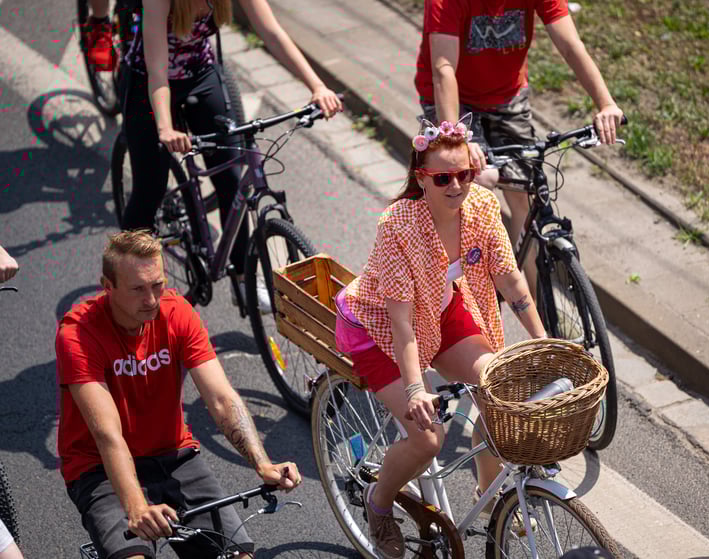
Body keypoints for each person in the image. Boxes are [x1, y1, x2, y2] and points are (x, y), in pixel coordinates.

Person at [334, 116, 547, 558]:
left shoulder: (484, 207)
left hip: (440, 309)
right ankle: (379, 502)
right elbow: (402, 326)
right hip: (376, 329)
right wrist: (416, 389)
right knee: (427, 440)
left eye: (465, 174)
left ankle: (490, 498)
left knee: (495, 383)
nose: (456, 185)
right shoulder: (397, 225)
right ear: (421, 178)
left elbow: (511, 283)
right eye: (443, 177)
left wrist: (544, 344)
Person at [56, 230, 302, 559]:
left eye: (157, 285)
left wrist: (262, 463)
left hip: (171, 455)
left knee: (238, 555)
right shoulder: (77, 334)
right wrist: (137, 508)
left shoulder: (176, 312)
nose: (152, 299)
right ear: (107, 286)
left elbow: (221, 398)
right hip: (99, 466)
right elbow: (107, 432)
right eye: (138, 289)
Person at [118, 0, 342, 307]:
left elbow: (271, 32)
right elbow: (158, 74)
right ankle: (126, 290)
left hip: (200, 72)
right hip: (149, 82)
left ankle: (243, 281)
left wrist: (316, 86)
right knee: (149, 190)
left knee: (232, 180)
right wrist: (166, 128)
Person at [414, 0, 624, 298]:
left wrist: (606, 103)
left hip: (506, 97)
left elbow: (570, 46)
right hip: (450, 98)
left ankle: (540, 312)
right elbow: (443, 70)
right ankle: (459, 294)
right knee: (463, 191)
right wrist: (457, 139)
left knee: (525, 199)